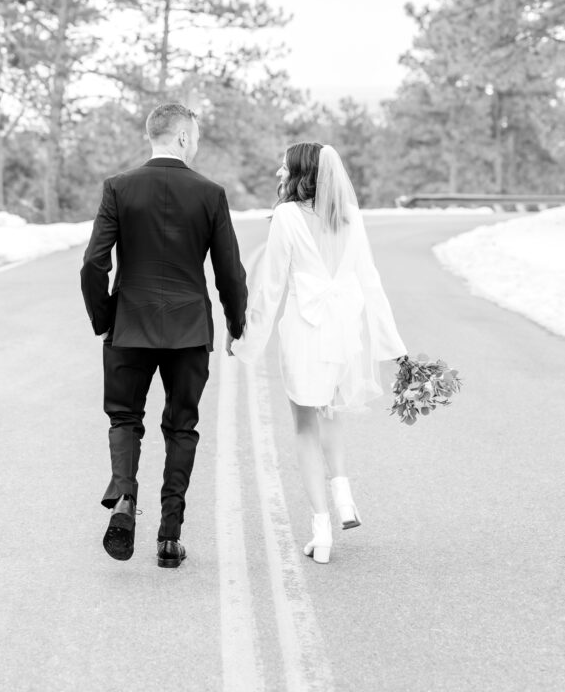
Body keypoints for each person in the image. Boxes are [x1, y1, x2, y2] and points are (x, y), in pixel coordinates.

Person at [81, 103, 247, 568]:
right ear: (179, 138)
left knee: (124, 419)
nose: (195, 144)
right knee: (181, 427)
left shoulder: (119, 188)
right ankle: (170, 538)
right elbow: (229, 271)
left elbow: (94, 262)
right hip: (189, 329)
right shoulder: (210, 194)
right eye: (193, 137)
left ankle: (125, 502)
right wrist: (237, 323)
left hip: (129, 325)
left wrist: (105, 318)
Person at [228, 142, 406, 564]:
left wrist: (247, 342)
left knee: (305, 425)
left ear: (301, 172)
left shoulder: (288, 216)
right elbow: (371, 281)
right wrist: (393, 347)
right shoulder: (349, 216)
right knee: (331, 413)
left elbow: (271, 287)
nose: (278, 171)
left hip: (306, 332)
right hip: (343, 331)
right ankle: (344, 496)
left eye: (284, 165)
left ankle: (321, 530)